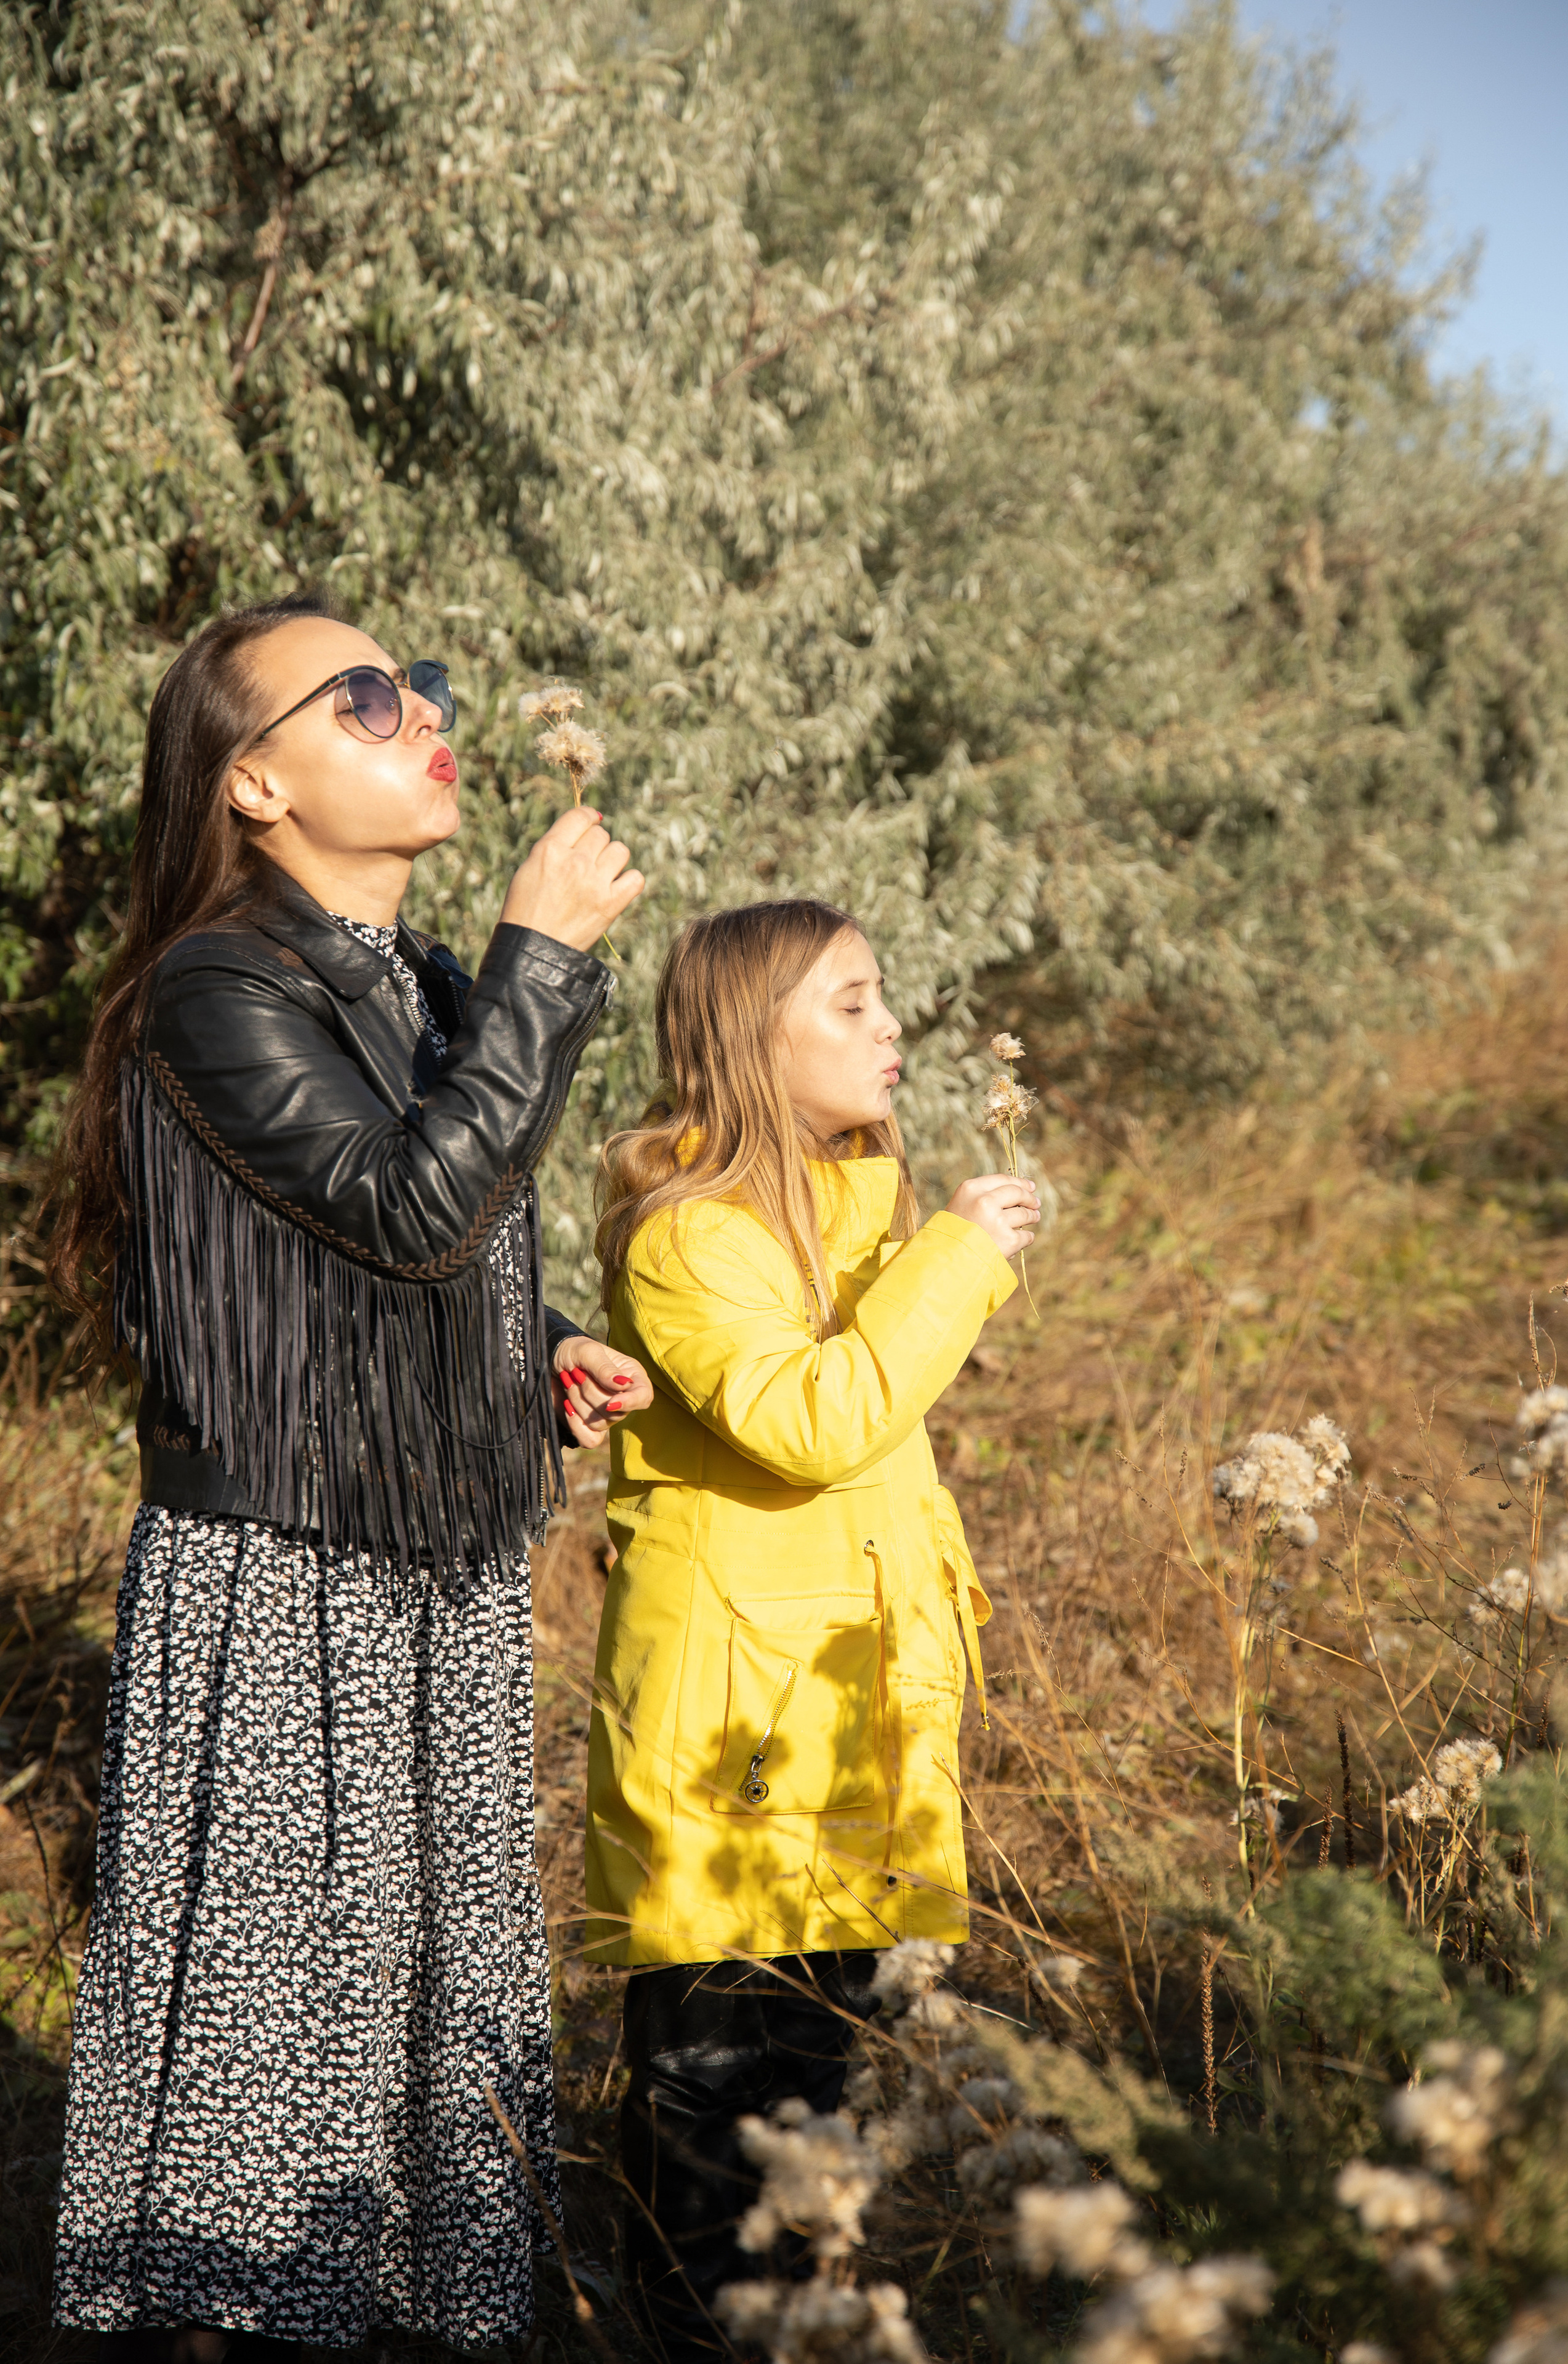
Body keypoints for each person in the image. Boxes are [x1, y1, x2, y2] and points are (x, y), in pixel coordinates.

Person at [45, 593, 654, 2362]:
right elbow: (400, 1204)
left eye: (425, 688)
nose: (426, 715)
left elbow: (398, 1241)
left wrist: (534, 1351)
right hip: (288, 1575)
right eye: (368, 698)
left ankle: (409, 2318)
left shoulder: (424, 981)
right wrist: (544, 962)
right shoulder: (214, 985)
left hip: (438, 1561)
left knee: (425, 2018)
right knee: (278, 2036)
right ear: (251, 782)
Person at [584, 901, 1041, 2362]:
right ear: (746, 1042)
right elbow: (809, 1422)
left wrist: (931, 1249)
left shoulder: (855, 1220)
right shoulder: (686, 1237)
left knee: (820, 2095)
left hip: (847, 1720)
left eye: (880, 995)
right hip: (738, 1752)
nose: (889, 1025)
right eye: (847, 1004)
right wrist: (959, 1253)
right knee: (721, 2123)